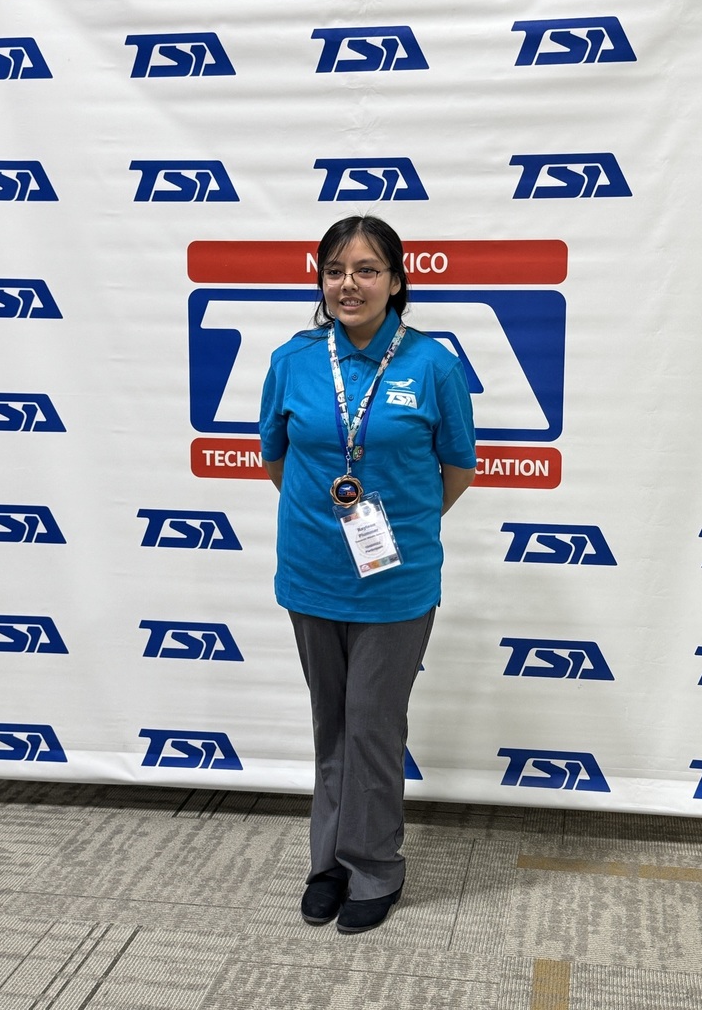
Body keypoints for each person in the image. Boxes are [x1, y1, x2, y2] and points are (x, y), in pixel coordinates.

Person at [259, 215, 476, 934]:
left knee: (374, 728)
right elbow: (277, 459)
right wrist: (331, 525)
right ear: (320, 280)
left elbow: (457, 469)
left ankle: (375, 864)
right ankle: (329, 863)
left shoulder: (432, 364)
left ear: (396, 280)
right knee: (332, 725)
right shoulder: (293, 359)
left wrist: (397, 531)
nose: (349, 284)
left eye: (367, 269)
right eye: (336, 270)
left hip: (395, 581)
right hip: (312, 574)